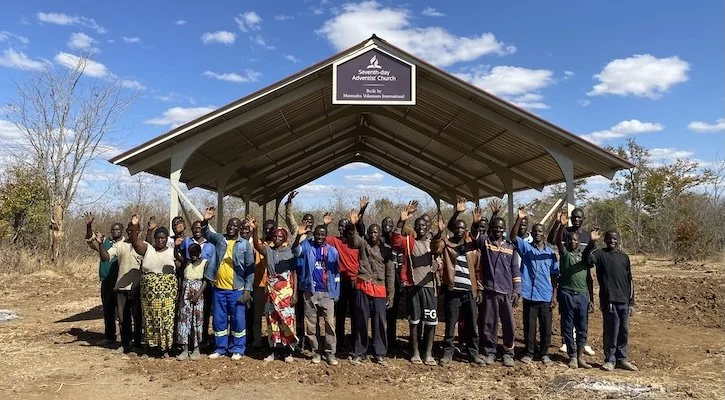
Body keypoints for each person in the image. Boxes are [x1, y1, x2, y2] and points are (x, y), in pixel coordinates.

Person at [391, 200, 443, 366]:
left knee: (431, 321)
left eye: (424, 225)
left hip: (430, 287)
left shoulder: (433, 243)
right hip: (414, 287)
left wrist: (438, 264)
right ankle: (415, 352)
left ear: (428, 227)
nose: (421, 227)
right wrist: (401, 220)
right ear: (415, 227)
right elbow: (395, 240)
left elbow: (439, 254)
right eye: (418, 225)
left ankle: (428, 353)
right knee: (414, 320)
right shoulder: (409, 242)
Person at [201, 207, 255, 360]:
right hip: (219, 289)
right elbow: (206, 233)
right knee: (219, 320)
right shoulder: (220, 239)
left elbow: (250, 269)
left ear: (239, 229)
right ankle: (220, 348)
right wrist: (205, 220)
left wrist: (247, 290)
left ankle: (238, 349)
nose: (231, 227)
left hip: (237, 289)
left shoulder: (244, 245)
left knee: (238, 320)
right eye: (229, 225)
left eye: (235, 226)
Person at [439, 199, 485, 366]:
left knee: (472, 325)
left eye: (462, 228)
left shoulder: (472, 247)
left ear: (466, 231)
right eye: (457, 228)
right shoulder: (448, 245)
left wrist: (479, 289)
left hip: (469, 292)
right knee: (451, 324)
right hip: (453, 292)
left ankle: (473, 353)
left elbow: (478, 270)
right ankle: (447, 354)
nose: (459, 230)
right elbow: (436, 246)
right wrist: (457, 212)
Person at [475, 200, 521, 367]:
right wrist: (481, 220)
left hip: (506, 292)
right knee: (489, 324)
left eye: (501, 228)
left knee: (509, 324)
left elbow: (515, 270)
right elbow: (476, 235)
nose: (498, 230)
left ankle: (508, 353)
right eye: (495, 228)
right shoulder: (486, 243)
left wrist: (517, 290)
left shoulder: (510, 247)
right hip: (490, 291)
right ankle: (490, 352)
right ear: (491, 229)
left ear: (504, 230)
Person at [510, 207, 559, 365]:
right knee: (529, 326)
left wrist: (554, 296)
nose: (537, 233)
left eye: (540, 231)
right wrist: (519, 219)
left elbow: (554, 276)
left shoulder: (550, 253)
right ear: (531, 233)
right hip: (530, 295)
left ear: (544, 234)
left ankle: (544, 353)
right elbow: (513, 237)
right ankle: (529, 352)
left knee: (546, 327)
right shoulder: (526, 249)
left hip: (545, 295)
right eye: (535, 231)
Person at [127, 215, 180, 358]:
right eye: (157, 238)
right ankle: (149, 348)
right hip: (149, 294)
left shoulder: (172, 251)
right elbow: (135, 243)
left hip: (167, 293)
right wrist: (134, 226)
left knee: (166, 321)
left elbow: (180, 265)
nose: (160, 240)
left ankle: (165, 349)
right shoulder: (148, 249)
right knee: (149, 319)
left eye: (163, 238)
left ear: (167, 239)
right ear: (154, 239)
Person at [248, 216, 298, 363]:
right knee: (272, 321)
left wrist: (295, 294)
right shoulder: (268, 251)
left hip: (286, 292)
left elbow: (294, 274)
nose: (277, 238)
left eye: (280, 236)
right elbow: (256, 245)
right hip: (270, 291)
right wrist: (255, 230)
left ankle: (288, 351)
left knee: (286, 321)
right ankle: (274, 350)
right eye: (275, 236)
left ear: (285, 238)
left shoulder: (290, 252)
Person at [547, 207, 595, 356]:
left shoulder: (587, 235)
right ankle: (565, 342)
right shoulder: (565, 232)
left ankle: (583, 343)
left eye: (579, 217)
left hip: (582, 275)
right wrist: (558, 224)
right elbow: (551, 240)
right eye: (574, 217)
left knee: (582, 316)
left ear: (583, 218)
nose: (576, 219)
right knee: (567, 316)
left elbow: (591, 254)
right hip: (567, 277)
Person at [349, 211, 394, 365]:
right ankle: (360, 352)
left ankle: (379, 353)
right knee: (361, 320)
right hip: (363, 286)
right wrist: (353, 225)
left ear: (380, 234)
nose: (373, 235)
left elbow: (390, 273)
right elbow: (353, 240)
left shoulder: (387, 249)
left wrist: (391, 294)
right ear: (368, 233)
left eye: (376, 232)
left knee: (379, 321)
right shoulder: (363, 244)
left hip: (380, 289)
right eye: (371, 232)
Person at [589, 230, 638, 372]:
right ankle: (610, 360)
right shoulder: (600, 254)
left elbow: (630, 280)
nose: (612, 241)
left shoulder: (624, 257)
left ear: (618, 240)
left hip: (624, 300)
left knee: (623, 331)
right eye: (609, 238)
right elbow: (587, 260)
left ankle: (621, 359)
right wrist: (592, 242)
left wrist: (631, 302)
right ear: (605, 240)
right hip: (609, 300)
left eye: (614, 238)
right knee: (611, 331)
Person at [324, 197, 368, 350]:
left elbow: (360, 227)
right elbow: (320, 237)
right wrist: (325, 224)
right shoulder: (334, 240)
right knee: (340, 313)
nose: (342, 229)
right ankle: (340, 342)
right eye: (340, 226)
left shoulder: (356, 242)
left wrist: (361, 210)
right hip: (340, 281)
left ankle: (355, 342)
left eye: (345, 226)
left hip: (355, 281)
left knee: (356, 313)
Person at [294, 223, 340, 366]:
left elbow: (336, 274)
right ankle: (316, 351)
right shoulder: (307, 247)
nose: (320, 237)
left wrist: (336, 292)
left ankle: (330, 353)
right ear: (314, 235)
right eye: (317, 234)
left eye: (322, 234)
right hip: (310, 291)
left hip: (327, 292)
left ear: (326, 236)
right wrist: (298, 236)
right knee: (311, 325)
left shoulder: (332, 251)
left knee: (330, 324)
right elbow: (295, 251)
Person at [97, 218, 144, 355]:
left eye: (134, 230)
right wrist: (100, 245)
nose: (131, 232)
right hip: (121, 288)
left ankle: (137, 344)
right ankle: (125, 344)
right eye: (129, 230)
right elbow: (105, 257)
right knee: (123, 318)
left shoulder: (144, 246)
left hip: (136, 287)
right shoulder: (120, 245)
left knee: (137, 317)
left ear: (138, 232)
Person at [284, 190, 316, 353]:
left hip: (310, 281)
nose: (308, 223)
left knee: (311, 313)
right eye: (305, 220)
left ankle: (311, 342)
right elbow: (289, 218)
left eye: (310, 221)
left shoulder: (316, 238)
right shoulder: (298, 232)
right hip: (296, 278)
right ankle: (299, 340)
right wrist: (289, 202)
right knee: (298, 312)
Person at [84, 212, 119, 346]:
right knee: (108, 311)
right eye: (113, 230)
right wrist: (89, 226)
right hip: (106, 282)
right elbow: (89, 239)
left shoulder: (125, 244)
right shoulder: (104, 242)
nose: (115, 232)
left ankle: (126, 340)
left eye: (117, 230)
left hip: (121, 282)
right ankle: (110, 337)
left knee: (123, 312)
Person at [180, 220, 216, 347]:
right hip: (188, 283)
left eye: (199, 228)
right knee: (187, 314)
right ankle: (187, 340)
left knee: (203, 312)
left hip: (205, 283)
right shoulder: (187, 242)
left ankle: (203, 339)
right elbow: (181, 258)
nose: (197, 230)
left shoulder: (211, 245)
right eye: (194, 228)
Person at [248, 219, 277, 351]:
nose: (268, 231)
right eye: (265, 229)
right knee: (257, 315)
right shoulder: (258, 243)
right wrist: (255, 230)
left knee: (274, 316)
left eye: (271, 228)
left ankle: (274, 342)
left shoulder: (280, 244)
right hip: (260, 284)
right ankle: (257, 342)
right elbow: (255, 245)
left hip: (275, 286)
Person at [176, 244, 208, 361]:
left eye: (196, 253)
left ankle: (196, 349)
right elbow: (181, 278)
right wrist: (176, 246)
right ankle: (184, 349)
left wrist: (198, 294)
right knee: (183, 321)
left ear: (199, 253)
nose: (194, 255)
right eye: (191, 253)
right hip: (185, 296)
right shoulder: (187, 262)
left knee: (196, 321)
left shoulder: (205, 263)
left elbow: (205, 281)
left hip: (197, 296)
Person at [381, 216, 403, 352]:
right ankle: (381, 340)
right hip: (381, 280)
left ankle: (391, 340)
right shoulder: (379, 240)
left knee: (392, 312)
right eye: (385, 222)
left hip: (396, 280)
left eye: (390, 222)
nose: (387, 224)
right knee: (381, 312)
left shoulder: (396, 241)